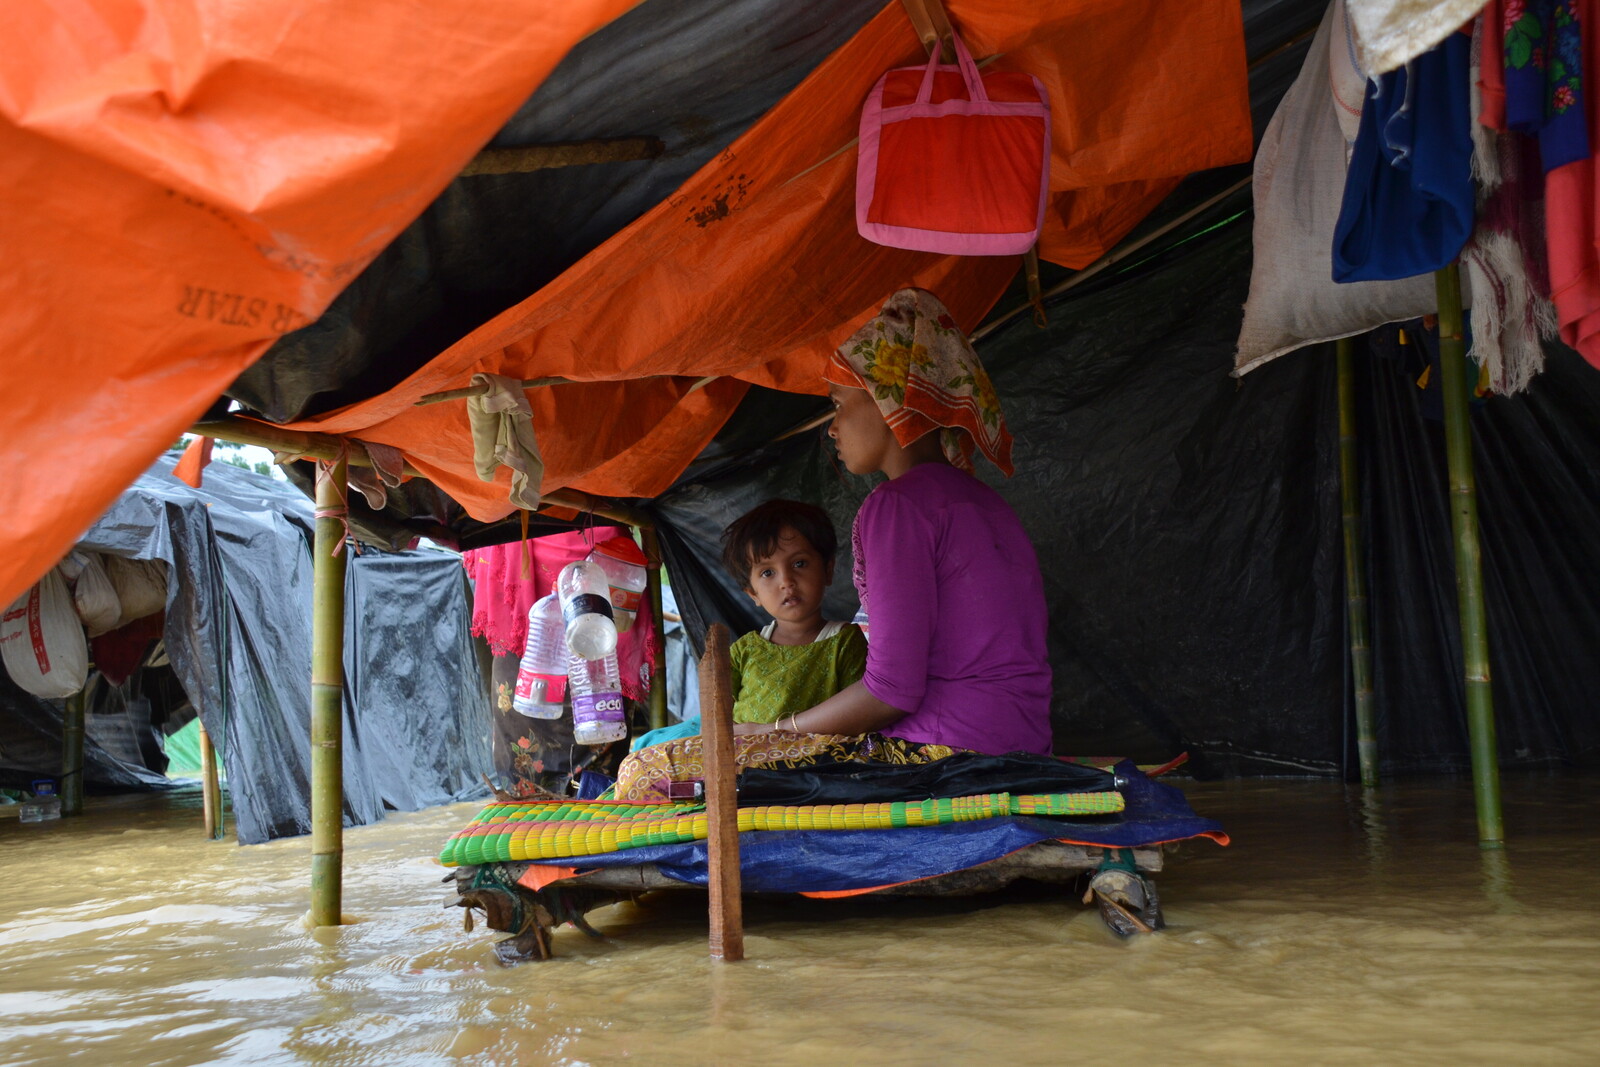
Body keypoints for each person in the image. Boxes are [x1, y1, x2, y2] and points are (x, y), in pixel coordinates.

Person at [736, 287, 1052, 755]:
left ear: (888, 402)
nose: (833, 427)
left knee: (655, 768)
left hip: (949, 751)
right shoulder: (986, 502)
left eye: (840, 404)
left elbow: (891, 690)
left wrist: (775, 730)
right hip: (1026, 742)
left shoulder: (896, 506)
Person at [627, 499, 866, 750]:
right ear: (753, 593)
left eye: (799, 564)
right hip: (740, 766)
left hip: (812, 767)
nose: (786, 581)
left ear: (828, 570)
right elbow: (715, 722)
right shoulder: (743, 650)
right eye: (767, 573)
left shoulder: (845, 641)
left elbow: (856, 718)